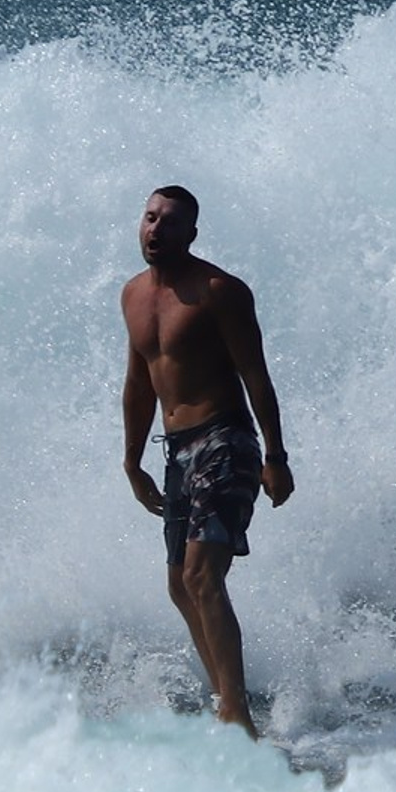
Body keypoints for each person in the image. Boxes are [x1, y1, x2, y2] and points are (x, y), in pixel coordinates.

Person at [119, 185, 291, 732]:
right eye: (150, 218)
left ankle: (237, 718)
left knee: (201, 574)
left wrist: (275, 455)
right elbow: (138, 384)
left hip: (226, 441)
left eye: (169, 223)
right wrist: (131, 460)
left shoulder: (220, 292)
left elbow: (255, 376)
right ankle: (226, 698)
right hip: (175, 454)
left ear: (190, 234)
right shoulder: (132, 297)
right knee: (178, 584)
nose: (156, 230)